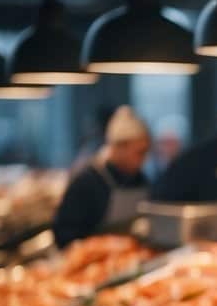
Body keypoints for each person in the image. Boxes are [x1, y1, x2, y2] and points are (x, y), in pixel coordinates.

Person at [52, 106, 151, 247]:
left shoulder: (141, 179)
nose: (144, 159)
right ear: (118, 148)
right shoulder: (86, 183)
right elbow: (64, 236)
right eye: (140, 152)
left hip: (129, 256)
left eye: (146, 152)